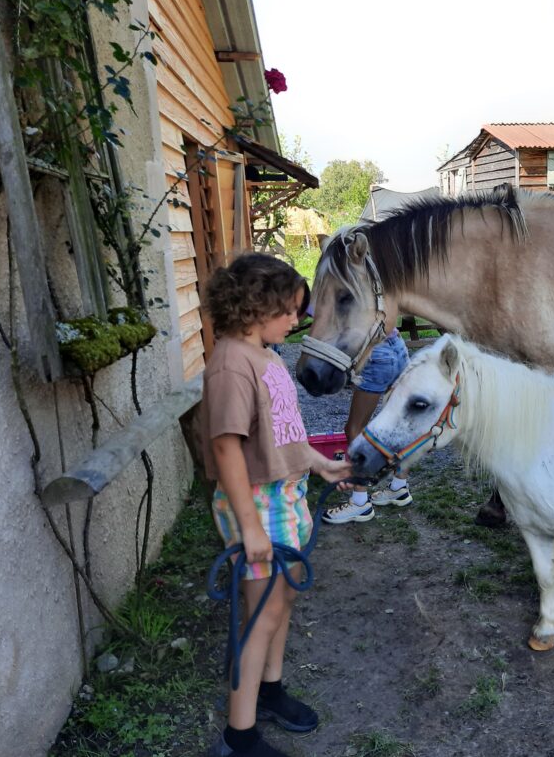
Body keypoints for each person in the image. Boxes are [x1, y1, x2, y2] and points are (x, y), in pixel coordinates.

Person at [202, 253, 351, 757]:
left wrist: (319, 464)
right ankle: (238, 739)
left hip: (284, 495)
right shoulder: (230, 364)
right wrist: (251, 528)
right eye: (290, 310)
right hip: (258, 505)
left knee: (282, 600)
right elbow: (227, 448)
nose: (298, 320)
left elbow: (283, 434)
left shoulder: (266, 356)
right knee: (260, 614)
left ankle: (269, 692)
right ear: (255, 306)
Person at [321, 326, 413, 524]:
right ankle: (399, 487)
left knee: (355, 429)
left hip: (376, 354)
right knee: (398, 425)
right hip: (398, 346)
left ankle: (360, 502)